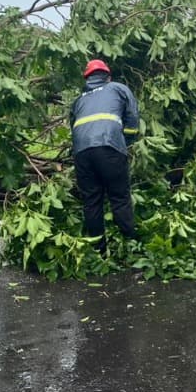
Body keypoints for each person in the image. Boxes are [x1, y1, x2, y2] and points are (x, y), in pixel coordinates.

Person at [69, 59, 140, 253]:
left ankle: (98, 250)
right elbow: (133, 118)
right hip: (109, 146)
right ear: (108, 76)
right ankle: (130, 244)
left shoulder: (79, 100)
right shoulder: (118, 88)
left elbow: (73, 127)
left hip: (82, 153)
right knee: (119, 196)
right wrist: (126, 143)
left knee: (92, 200)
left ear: (87, 79)